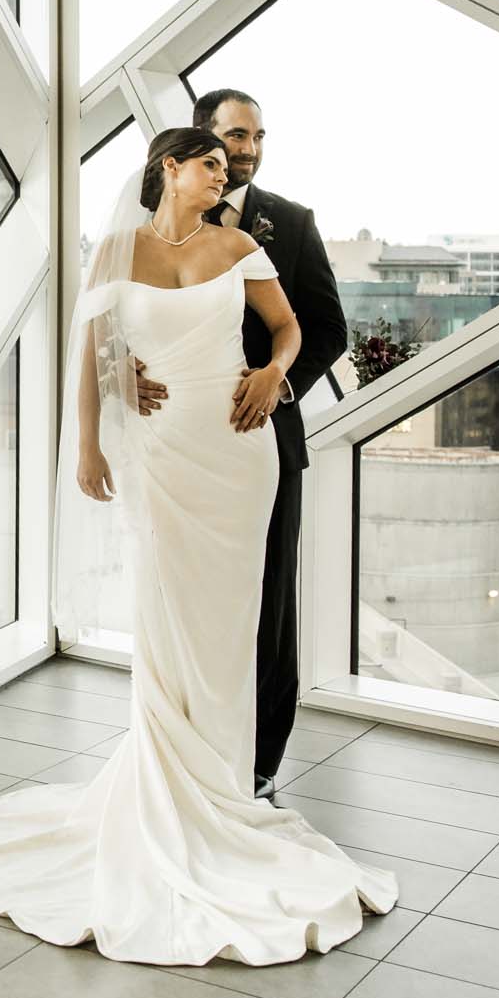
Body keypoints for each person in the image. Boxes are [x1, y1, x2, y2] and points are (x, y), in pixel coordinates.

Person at [0, 126, 394, 967]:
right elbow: (93, 347)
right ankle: (165, 787)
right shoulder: (118, 245)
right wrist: (89, 440)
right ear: (170, 169)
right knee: (164, 614)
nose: (226, 173)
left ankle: (223, 791)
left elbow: (290, 329)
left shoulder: (237, 244)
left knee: (229, 628)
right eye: (212, 163)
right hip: (160, 453)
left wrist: (274, 375)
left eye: (229, 165)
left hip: (237, 448)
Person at [135, 88, 347, 799]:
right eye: (235, 133)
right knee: (182, 602)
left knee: (267, 603)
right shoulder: (147, 228)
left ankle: (256, 765)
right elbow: (125, 319)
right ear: (199, 140)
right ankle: (185, 751)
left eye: (258, 135)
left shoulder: (288, 223)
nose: (249, 146)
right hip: (172, 445)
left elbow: (323, 327)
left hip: (262, 443)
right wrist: (123, 370)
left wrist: (276, 381)